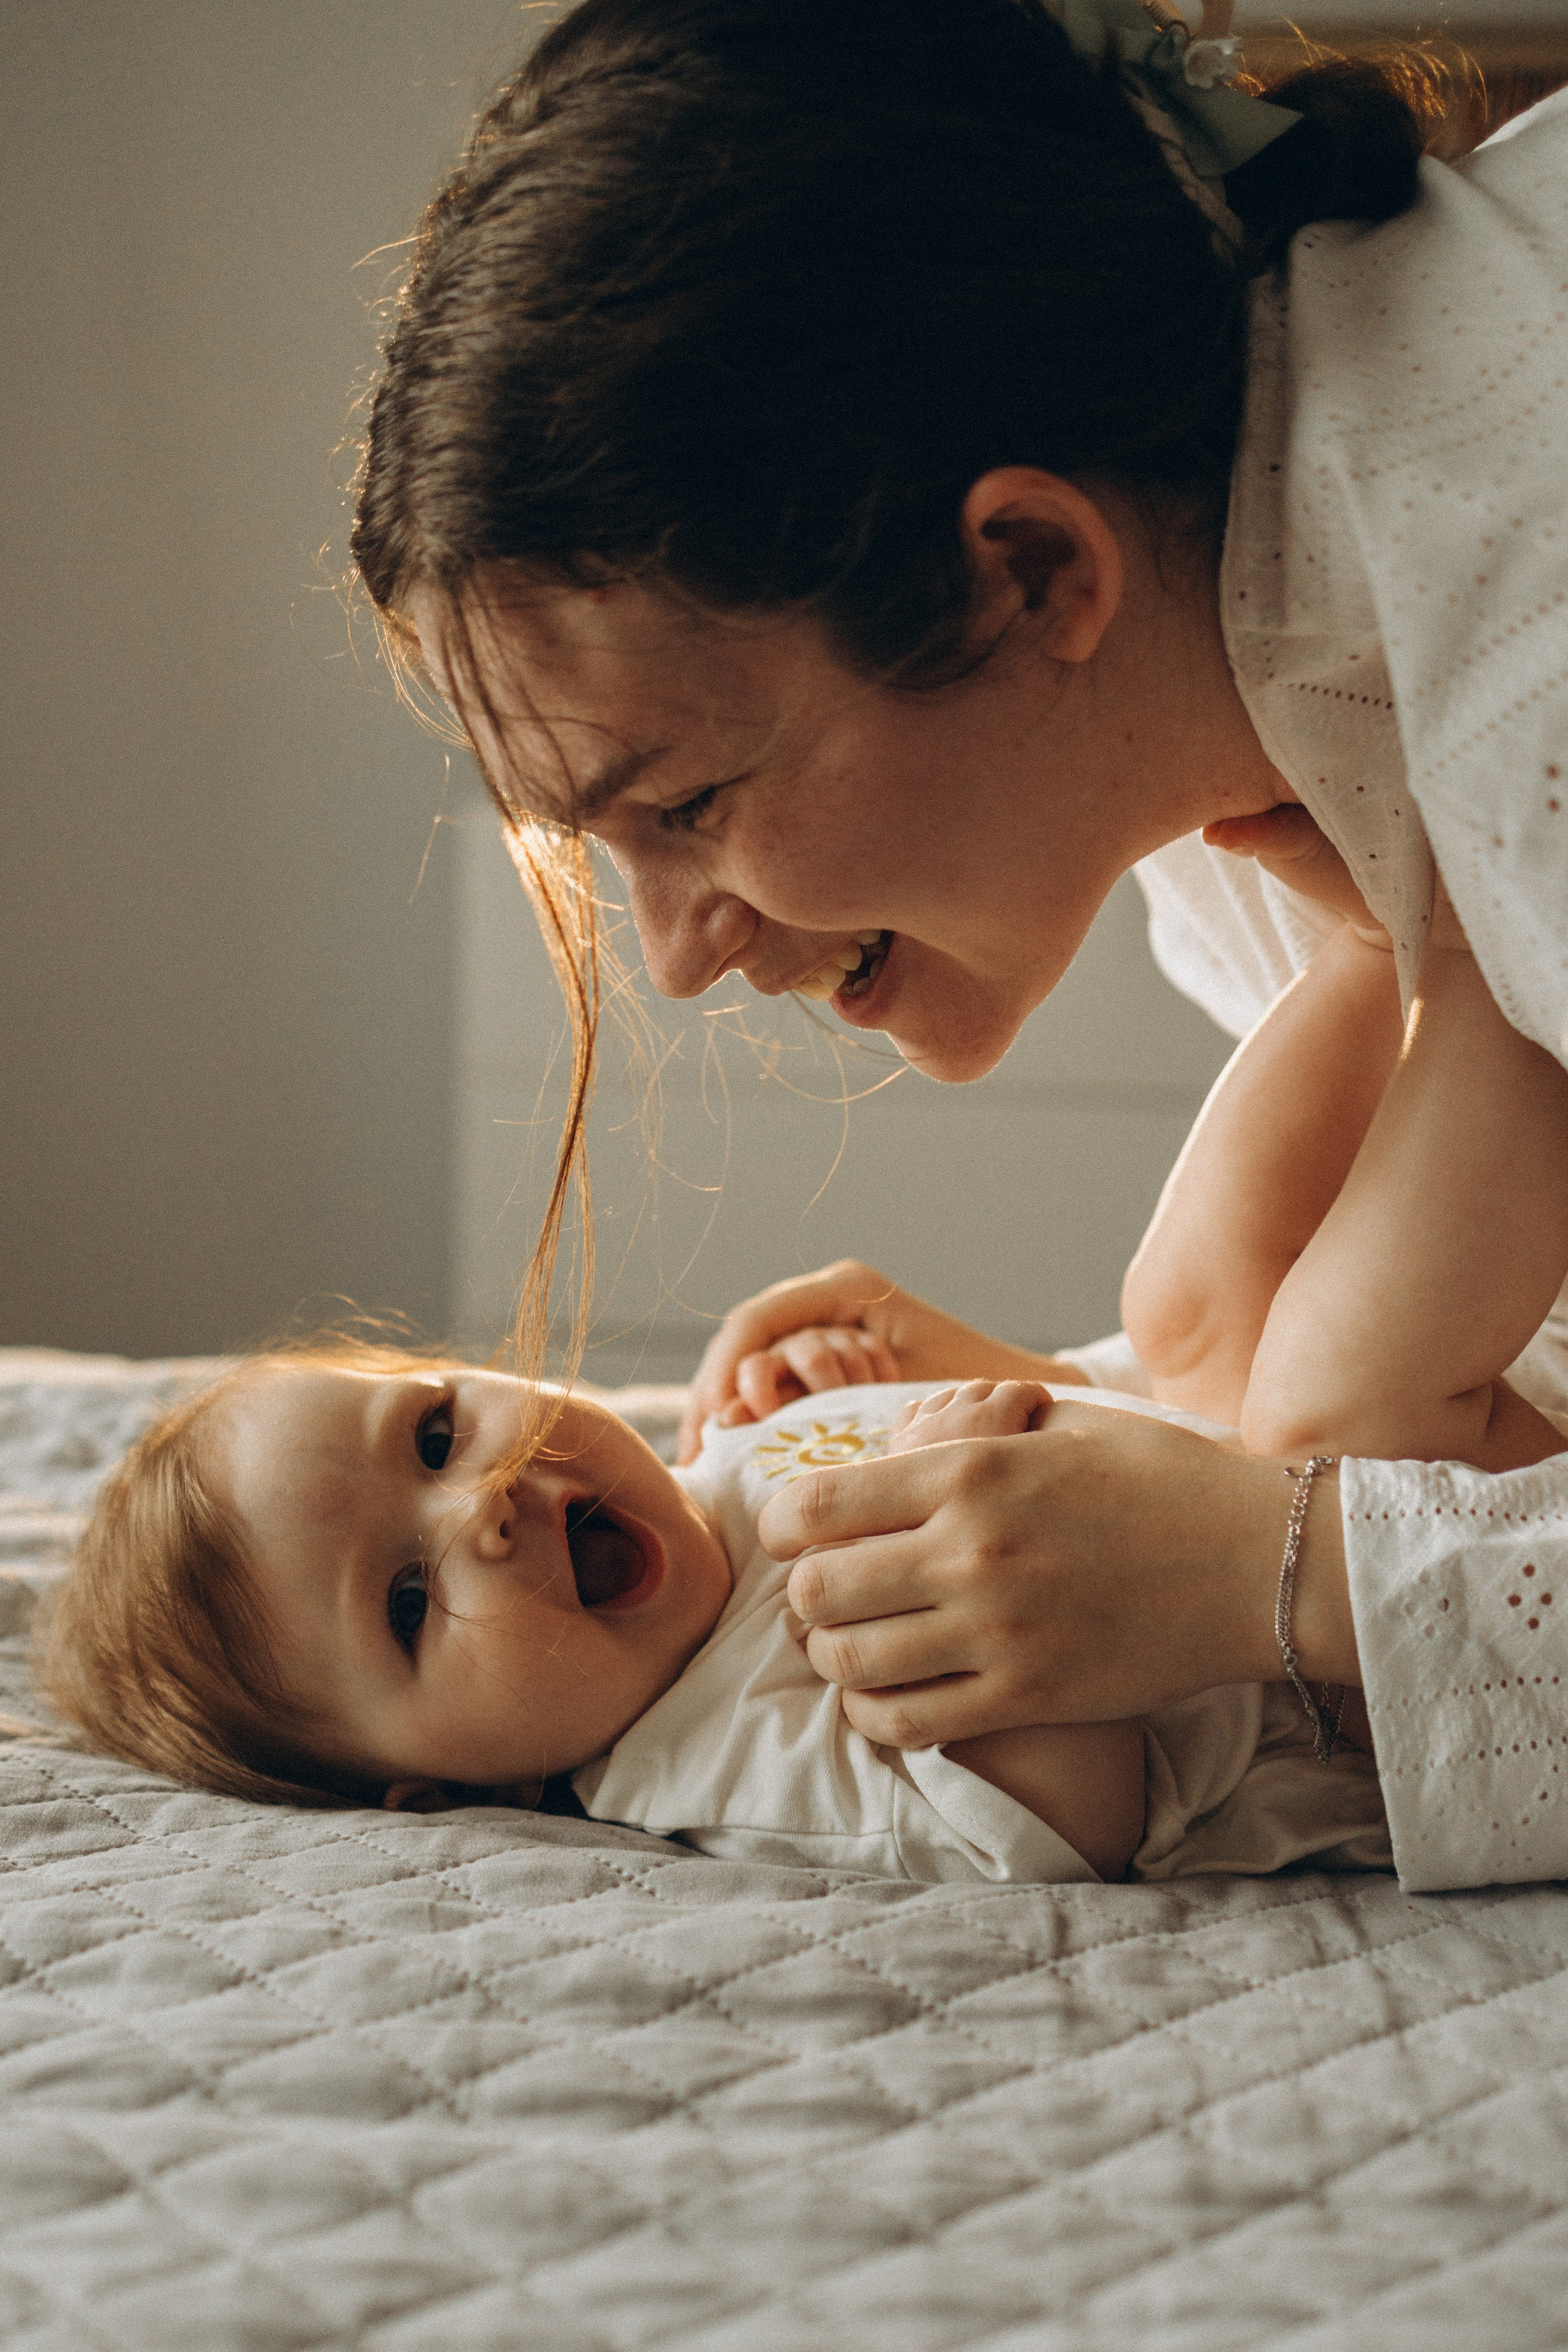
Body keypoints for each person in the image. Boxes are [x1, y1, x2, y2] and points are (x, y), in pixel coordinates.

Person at [348, 0, 1568, 1891]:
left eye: (682, 804)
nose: (672, 957)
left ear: (1026, 576)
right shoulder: (1234, 720)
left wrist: (1282, 1569)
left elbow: (1369, 1409)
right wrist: (1071, 1410)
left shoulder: (1520, 676)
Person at [43, 1346, 1388, 1883]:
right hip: (1348, 1683)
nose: (482, 1509)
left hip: (1251, 1465)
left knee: (1201, 1277)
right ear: (434, 1787)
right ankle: (1434, 973)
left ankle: (1378, 950)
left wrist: (850, 1382)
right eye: (406, 1602)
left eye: (440, 1432)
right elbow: (1065, 1828)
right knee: (1350, 1339)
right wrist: (926, 1481)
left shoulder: (712, 1474)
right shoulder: (719, 1753)